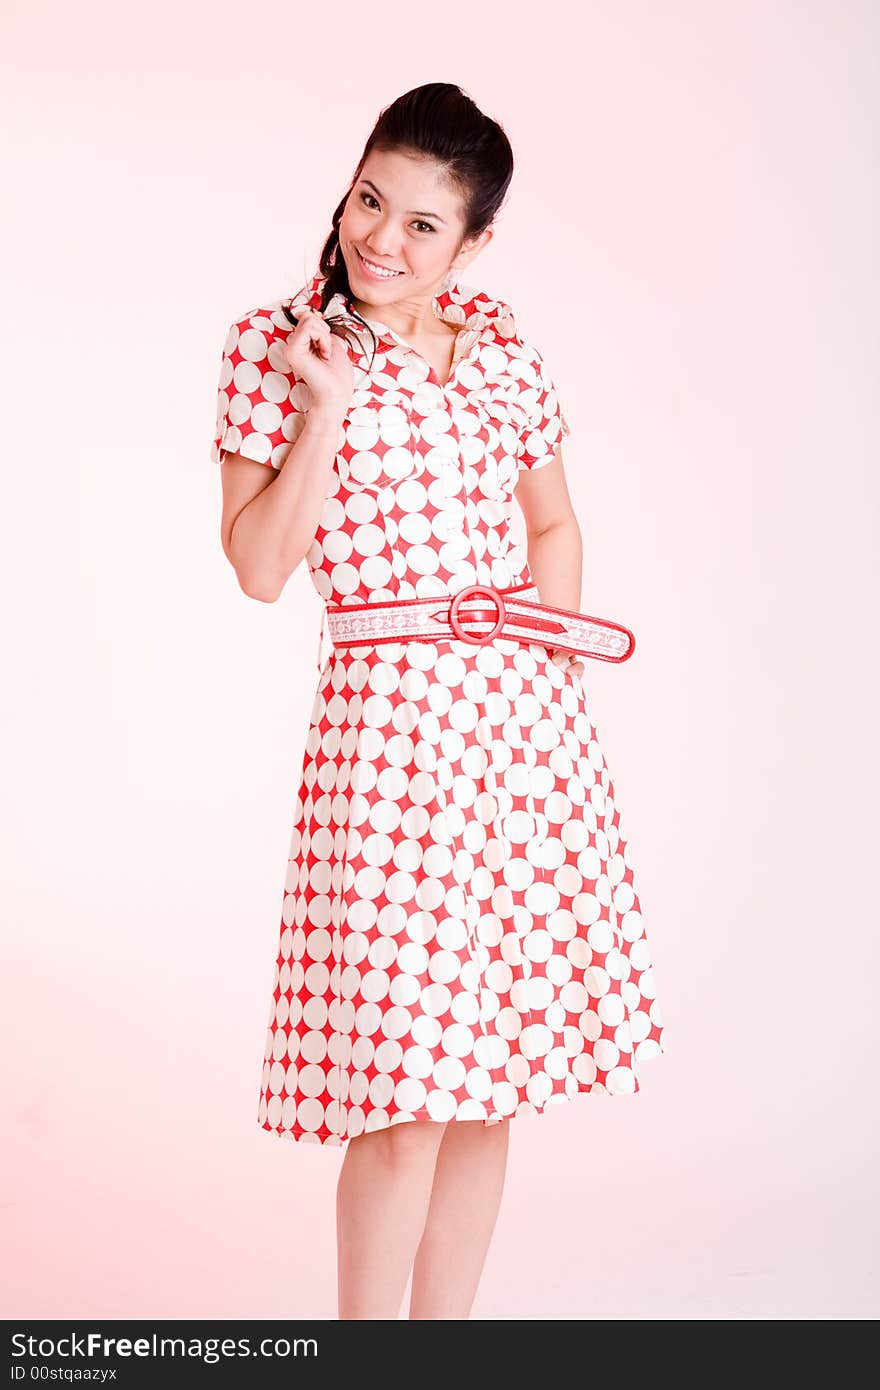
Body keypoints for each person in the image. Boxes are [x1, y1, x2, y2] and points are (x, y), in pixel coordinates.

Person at [212, 82, 666, 1320]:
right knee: (405, 1090)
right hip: (387, 725)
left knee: (489, 1084)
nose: (379, 239)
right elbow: (259, 567)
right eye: (370, 199)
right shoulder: (277, 344)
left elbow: (555, 522)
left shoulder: (503, 347)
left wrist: (548, 688)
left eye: (422, 224)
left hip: (522, 733)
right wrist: (327, 411)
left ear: (471, 243)